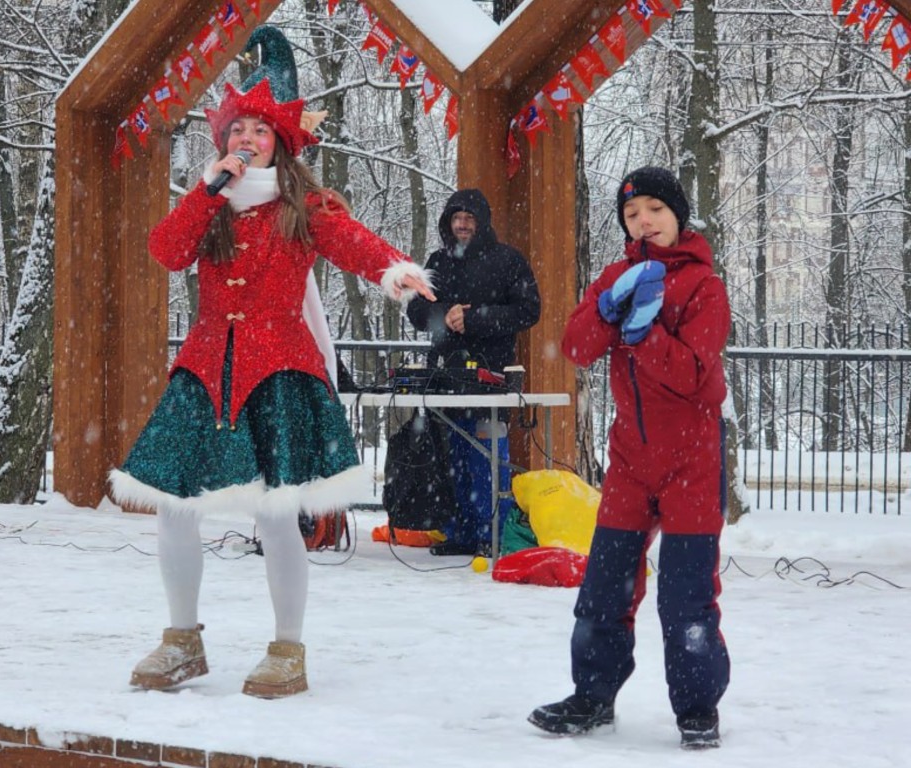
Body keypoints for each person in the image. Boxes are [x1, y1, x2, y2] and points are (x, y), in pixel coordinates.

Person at [108, 67, 434, 699]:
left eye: (262, 130)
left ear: (280, 144)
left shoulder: (301, 207)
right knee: (176, 506)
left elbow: (349, 241)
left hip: (276, 368)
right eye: (240, 129)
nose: (250, 138)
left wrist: (392, 268)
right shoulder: (209, 204)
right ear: (224, 141)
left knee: (275, 513)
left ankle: (288, 650)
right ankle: (182, 642)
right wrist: (206, 190)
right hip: (205, 369)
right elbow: (166, 251)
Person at [528, 166, 731, 749]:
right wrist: (609, 311)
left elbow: (696, 375)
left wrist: (644, 335)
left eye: (654, 209)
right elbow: (576, 347)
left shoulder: (702, 287)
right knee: (603, 588)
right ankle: (592, 695)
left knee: (686, 597)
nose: (644, 220)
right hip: (629, 461)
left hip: (692, 461)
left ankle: (697, 708)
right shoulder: (615, 275)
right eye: (633, 212)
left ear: (677, 215)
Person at [406, 189, 540, 556]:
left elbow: (529, 310)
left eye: (469, 218)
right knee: (451, 460)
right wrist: (446, 314)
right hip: (445, 379)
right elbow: (416, 312)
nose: (462, 224)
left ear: (482, 222)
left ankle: (491, 533)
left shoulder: (508, 261)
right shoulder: (436, 261)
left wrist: (477, 318)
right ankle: (459, 533)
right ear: (448, 223)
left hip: (491, 379)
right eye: (456, 218)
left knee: (486, 457)